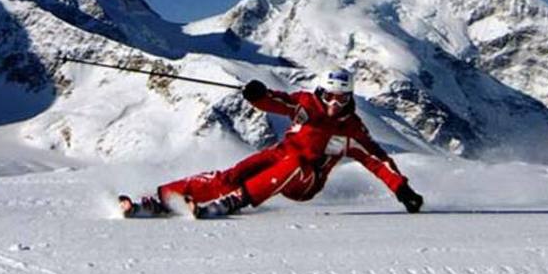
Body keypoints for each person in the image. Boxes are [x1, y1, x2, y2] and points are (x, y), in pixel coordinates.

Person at [119, 68, 425, 218]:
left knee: (293, 164)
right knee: (232, 175)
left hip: (307, 180)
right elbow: (278, 102)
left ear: (349, 97)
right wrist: (257, 95)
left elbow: (377, 160)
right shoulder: (307, 105)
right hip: (279, 156)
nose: (333, 104)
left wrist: (402, 188)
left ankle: (231, 203)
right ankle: (160, 200)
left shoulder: (351, 130)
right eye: (329, 96)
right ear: (322, 92)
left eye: (341, 98)